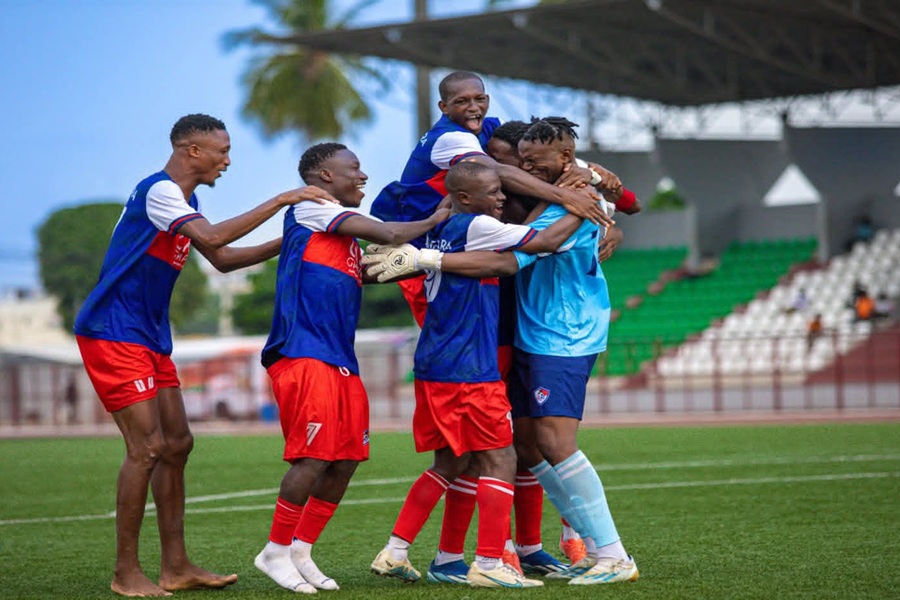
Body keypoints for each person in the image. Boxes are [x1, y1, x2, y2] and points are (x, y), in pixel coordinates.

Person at [73, 113, 338, 598]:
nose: (228, 160)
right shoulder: (160, 192)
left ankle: (176, 568)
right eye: (222, 150)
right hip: (112, 331)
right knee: (147, 448)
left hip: (148, 336)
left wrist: (296, 238)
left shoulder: (184, 200)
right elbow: (215, 238)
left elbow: (221, 260)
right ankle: (125, 573)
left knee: (177, 445)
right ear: (191, 150)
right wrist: (284, 199)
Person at [369, 117, 640, 586]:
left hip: (562, 333)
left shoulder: (564, 203)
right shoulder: (540, 203)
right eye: (522, 162)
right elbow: (523, 239)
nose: (524, 170)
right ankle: (559, 551)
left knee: (536, 446)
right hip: (516, 339)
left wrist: (594, 193)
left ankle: (599, 553)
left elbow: (515, 257)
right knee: (522, 448)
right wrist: (591, 189)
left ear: (565, 159)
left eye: (534, 162)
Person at [252, 142, 451, 593]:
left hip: (339, 358)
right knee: (314, 456)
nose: (363, 176)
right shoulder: (314, 208)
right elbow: (389, 235)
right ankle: (275, 550)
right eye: (353, 168)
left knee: (345, 460)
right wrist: (435, 220)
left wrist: (414, 267)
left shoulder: (340, 237)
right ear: (323, 176)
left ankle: (302, 549)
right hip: (303, 353)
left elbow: (372, 265)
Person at [370, 71, 613, 326]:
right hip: (426, 256)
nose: (474, 108)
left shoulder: (490, 128)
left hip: (471, 248)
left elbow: (547, 152)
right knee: (454, 339)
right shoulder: (449, 137)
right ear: (443, 107)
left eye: (479, 99)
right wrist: (567, 196)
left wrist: (594, 177)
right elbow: (496, 171)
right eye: (462, 102)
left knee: (495, 341)